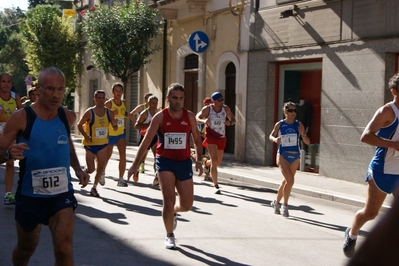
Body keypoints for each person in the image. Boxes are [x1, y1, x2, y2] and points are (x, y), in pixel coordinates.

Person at [0, 66, 90, 265]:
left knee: (64, 248)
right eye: (50, 89)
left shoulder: (67, 117)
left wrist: (77, 168)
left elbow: (66, 143)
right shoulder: (21, 117)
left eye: (60, 89)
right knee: (26, 248)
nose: (56, 95)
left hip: (61, 194)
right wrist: (8, 153)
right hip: (30, 196)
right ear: (38, 89)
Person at [127, 83, 203, 249]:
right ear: (168, 98)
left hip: (183, 162)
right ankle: (169, 235)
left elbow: (197, 139)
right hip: (164, 161)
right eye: (174, 98)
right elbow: (146, 141)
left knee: (187, 205)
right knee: (168, 201)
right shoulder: (160, 117)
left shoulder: (189, 116)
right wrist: (134, 165)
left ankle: (174, 212)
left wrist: (199, 160)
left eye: (181, 98)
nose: (178, 101)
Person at [342, 73, 399, 258]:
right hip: (382, 170)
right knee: (370, 213)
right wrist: (393, 145)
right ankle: (351, 234)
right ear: (394, 92)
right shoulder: (387, 112)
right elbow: (366, 136)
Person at [268, 101, 310, 217]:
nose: (293, 113)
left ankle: (276, 203)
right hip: (282, 155)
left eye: (295, 110)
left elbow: (307, 142)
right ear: (285, 111)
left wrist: (303, 135)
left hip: (295, 156)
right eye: (290, 110)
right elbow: (271, 135)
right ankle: (285, 206)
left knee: (286, 181)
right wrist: (275, 140)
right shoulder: (280, 124)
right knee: (290, 181)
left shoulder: (298, 125)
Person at [77, 90, 118, 197]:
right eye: (98, 98)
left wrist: (115, 124)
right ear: (94, 99)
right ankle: (85, 172)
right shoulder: (89, 112)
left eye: (102, 98)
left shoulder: (109, 112)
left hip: (103, 144)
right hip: (90, 145)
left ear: (105, 99)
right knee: (91, 169)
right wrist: (86, 136)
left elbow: (115, 126)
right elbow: (79, 124)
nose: (101, 100)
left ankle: (94, 187)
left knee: (100, 168)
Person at [196, 92, 236, 194]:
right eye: (219, 100)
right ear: (213, 101)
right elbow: (197, 118)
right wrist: (203, 121)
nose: (221, 102)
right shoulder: (207, 109)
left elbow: (233, 119)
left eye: (222, 100)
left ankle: (206, 163)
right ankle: (215, 185)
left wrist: (230, 122)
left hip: (221, 137)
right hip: (210, 136)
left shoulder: (225, 109)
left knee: (217, 163)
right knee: (214, 160)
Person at [0, 73, 24, 205]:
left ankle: (8, 194)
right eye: (3, 81)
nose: (6, 84)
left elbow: (22, 113)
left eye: (8, 81)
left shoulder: (15, 97)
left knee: (10, 161)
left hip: (9, 134)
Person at [104, 83, 129, 187]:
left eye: (120, 91)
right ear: (112, 92)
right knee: (107, 156)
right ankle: (101, 172)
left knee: (123, 155)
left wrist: (130, 115)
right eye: (116, 91)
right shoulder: (109, 104)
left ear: (122, 92)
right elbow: (101, 115)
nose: (118, 93)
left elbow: (124, 113)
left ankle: (121, 179)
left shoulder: (124, 103)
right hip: (110, 133)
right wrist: (110, 114)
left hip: (121, 132)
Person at [133, 95, 159, 185]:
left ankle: (157, 176)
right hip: (145, 137)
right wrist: (147, 125)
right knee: (141, 158)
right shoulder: (145, 113)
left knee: (157, 157)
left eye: (156, 103)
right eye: (153, 103)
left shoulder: (158, 113)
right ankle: (136, 169)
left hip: (155, 137)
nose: (155, 105)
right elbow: (136, 126)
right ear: (148, 103)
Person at [129, 92, 153, 174]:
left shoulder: (155, 108)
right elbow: (131, 114)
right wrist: (136, 123)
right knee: (144, 149)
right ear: (145, 100)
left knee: (148, 149)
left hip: (153, 132)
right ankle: (140, 164)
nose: (150, 101)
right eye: (148, 99)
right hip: (143, 130)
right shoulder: (141, 107)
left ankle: (142, 164)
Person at [198, 97, 212, 181]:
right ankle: (207, 174)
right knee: (202, 156)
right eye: (207, 104)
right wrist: (202, 134)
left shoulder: (213, 114)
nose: (209, 105)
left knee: (210, 157)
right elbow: (197, 127)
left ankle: (207, 174)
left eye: (210, 104)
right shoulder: (201, 114)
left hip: (210, 138)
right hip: (202, 137)